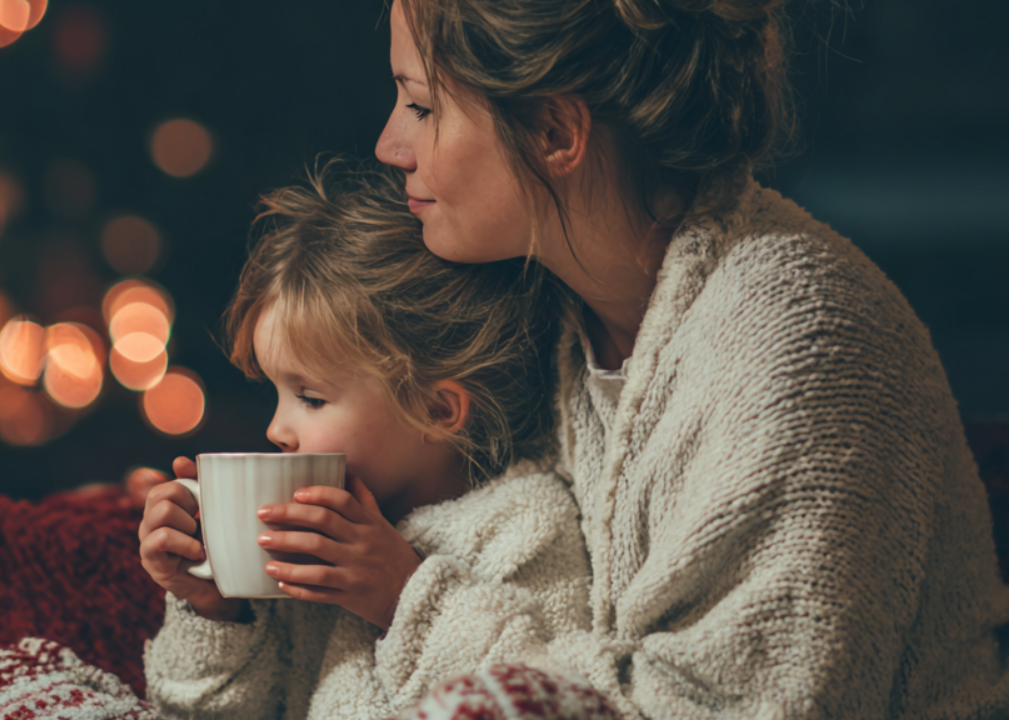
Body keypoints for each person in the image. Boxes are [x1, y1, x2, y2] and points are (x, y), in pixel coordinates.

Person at [372, 0, 1009, 718]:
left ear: (554, 132)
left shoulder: (798, 343)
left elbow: (739, 704)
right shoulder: (542, 320)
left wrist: (411, 601)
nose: (390, 145)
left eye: (422, 106)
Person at [137, 161, 602, 719]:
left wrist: (403, 595)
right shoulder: (300, 537)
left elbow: (546, 696)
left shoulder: (526, 527)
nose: (275, 429)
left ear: (435, 410)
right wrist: (216, 610)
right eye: (276, 393)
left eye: (310, 398)